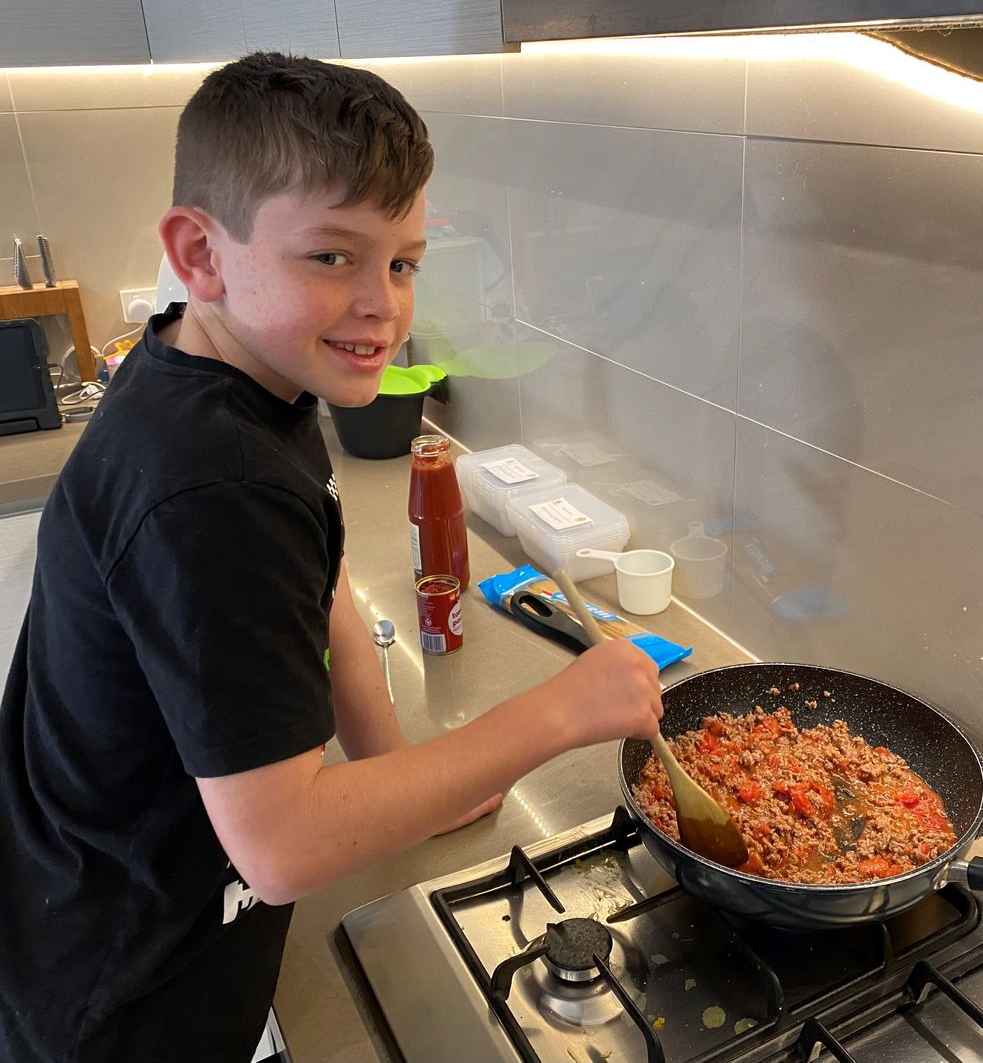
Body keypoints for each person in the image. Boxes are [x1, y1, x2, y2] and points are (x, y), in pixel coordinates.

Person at [0, 52, 663, 1063]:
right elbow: (283, 846)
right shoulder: (214, 486)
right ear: (200, 252)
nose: (383, 304)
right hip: (124, 994)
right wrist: (562, 710)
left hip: (115, 910)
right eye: (331, 257)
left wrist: (402, 776)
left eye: (402, 262)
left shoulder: (229, 372)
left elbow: (329, 589)